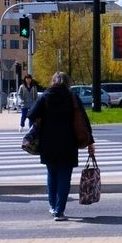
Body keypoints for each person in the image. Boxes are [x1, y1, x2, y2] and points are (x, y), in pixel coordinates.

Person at [27, 71, 94, 221]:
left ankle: (52, 206)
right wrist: (91, 142)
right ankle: (59, 210)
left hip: (48, 142)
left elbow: (31, 115)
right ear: (68, 82)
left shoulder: (45, 96)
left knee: (52, 174)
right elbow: (84, 120)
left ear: (53, 81)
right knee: (65, 177)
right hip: (68, 143)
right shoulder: (72, 97)